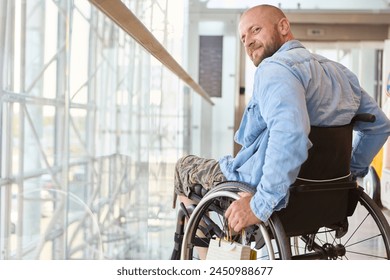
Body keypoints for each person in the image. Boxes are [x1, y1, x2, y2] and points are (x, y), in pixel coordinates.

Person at [173, 4, 390, 234]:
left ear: (284, 26)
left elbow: (290, 133)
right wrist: (347, 173)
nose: (247, 42)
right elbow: (379, 126)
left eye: (255, 30)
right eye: (243, 38)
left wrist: (259, 204)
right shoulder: (340, 73)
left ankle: (206, 263)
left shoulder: (274, 69)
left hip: (261, 186)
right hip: (322, 196)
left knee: (183, 168)